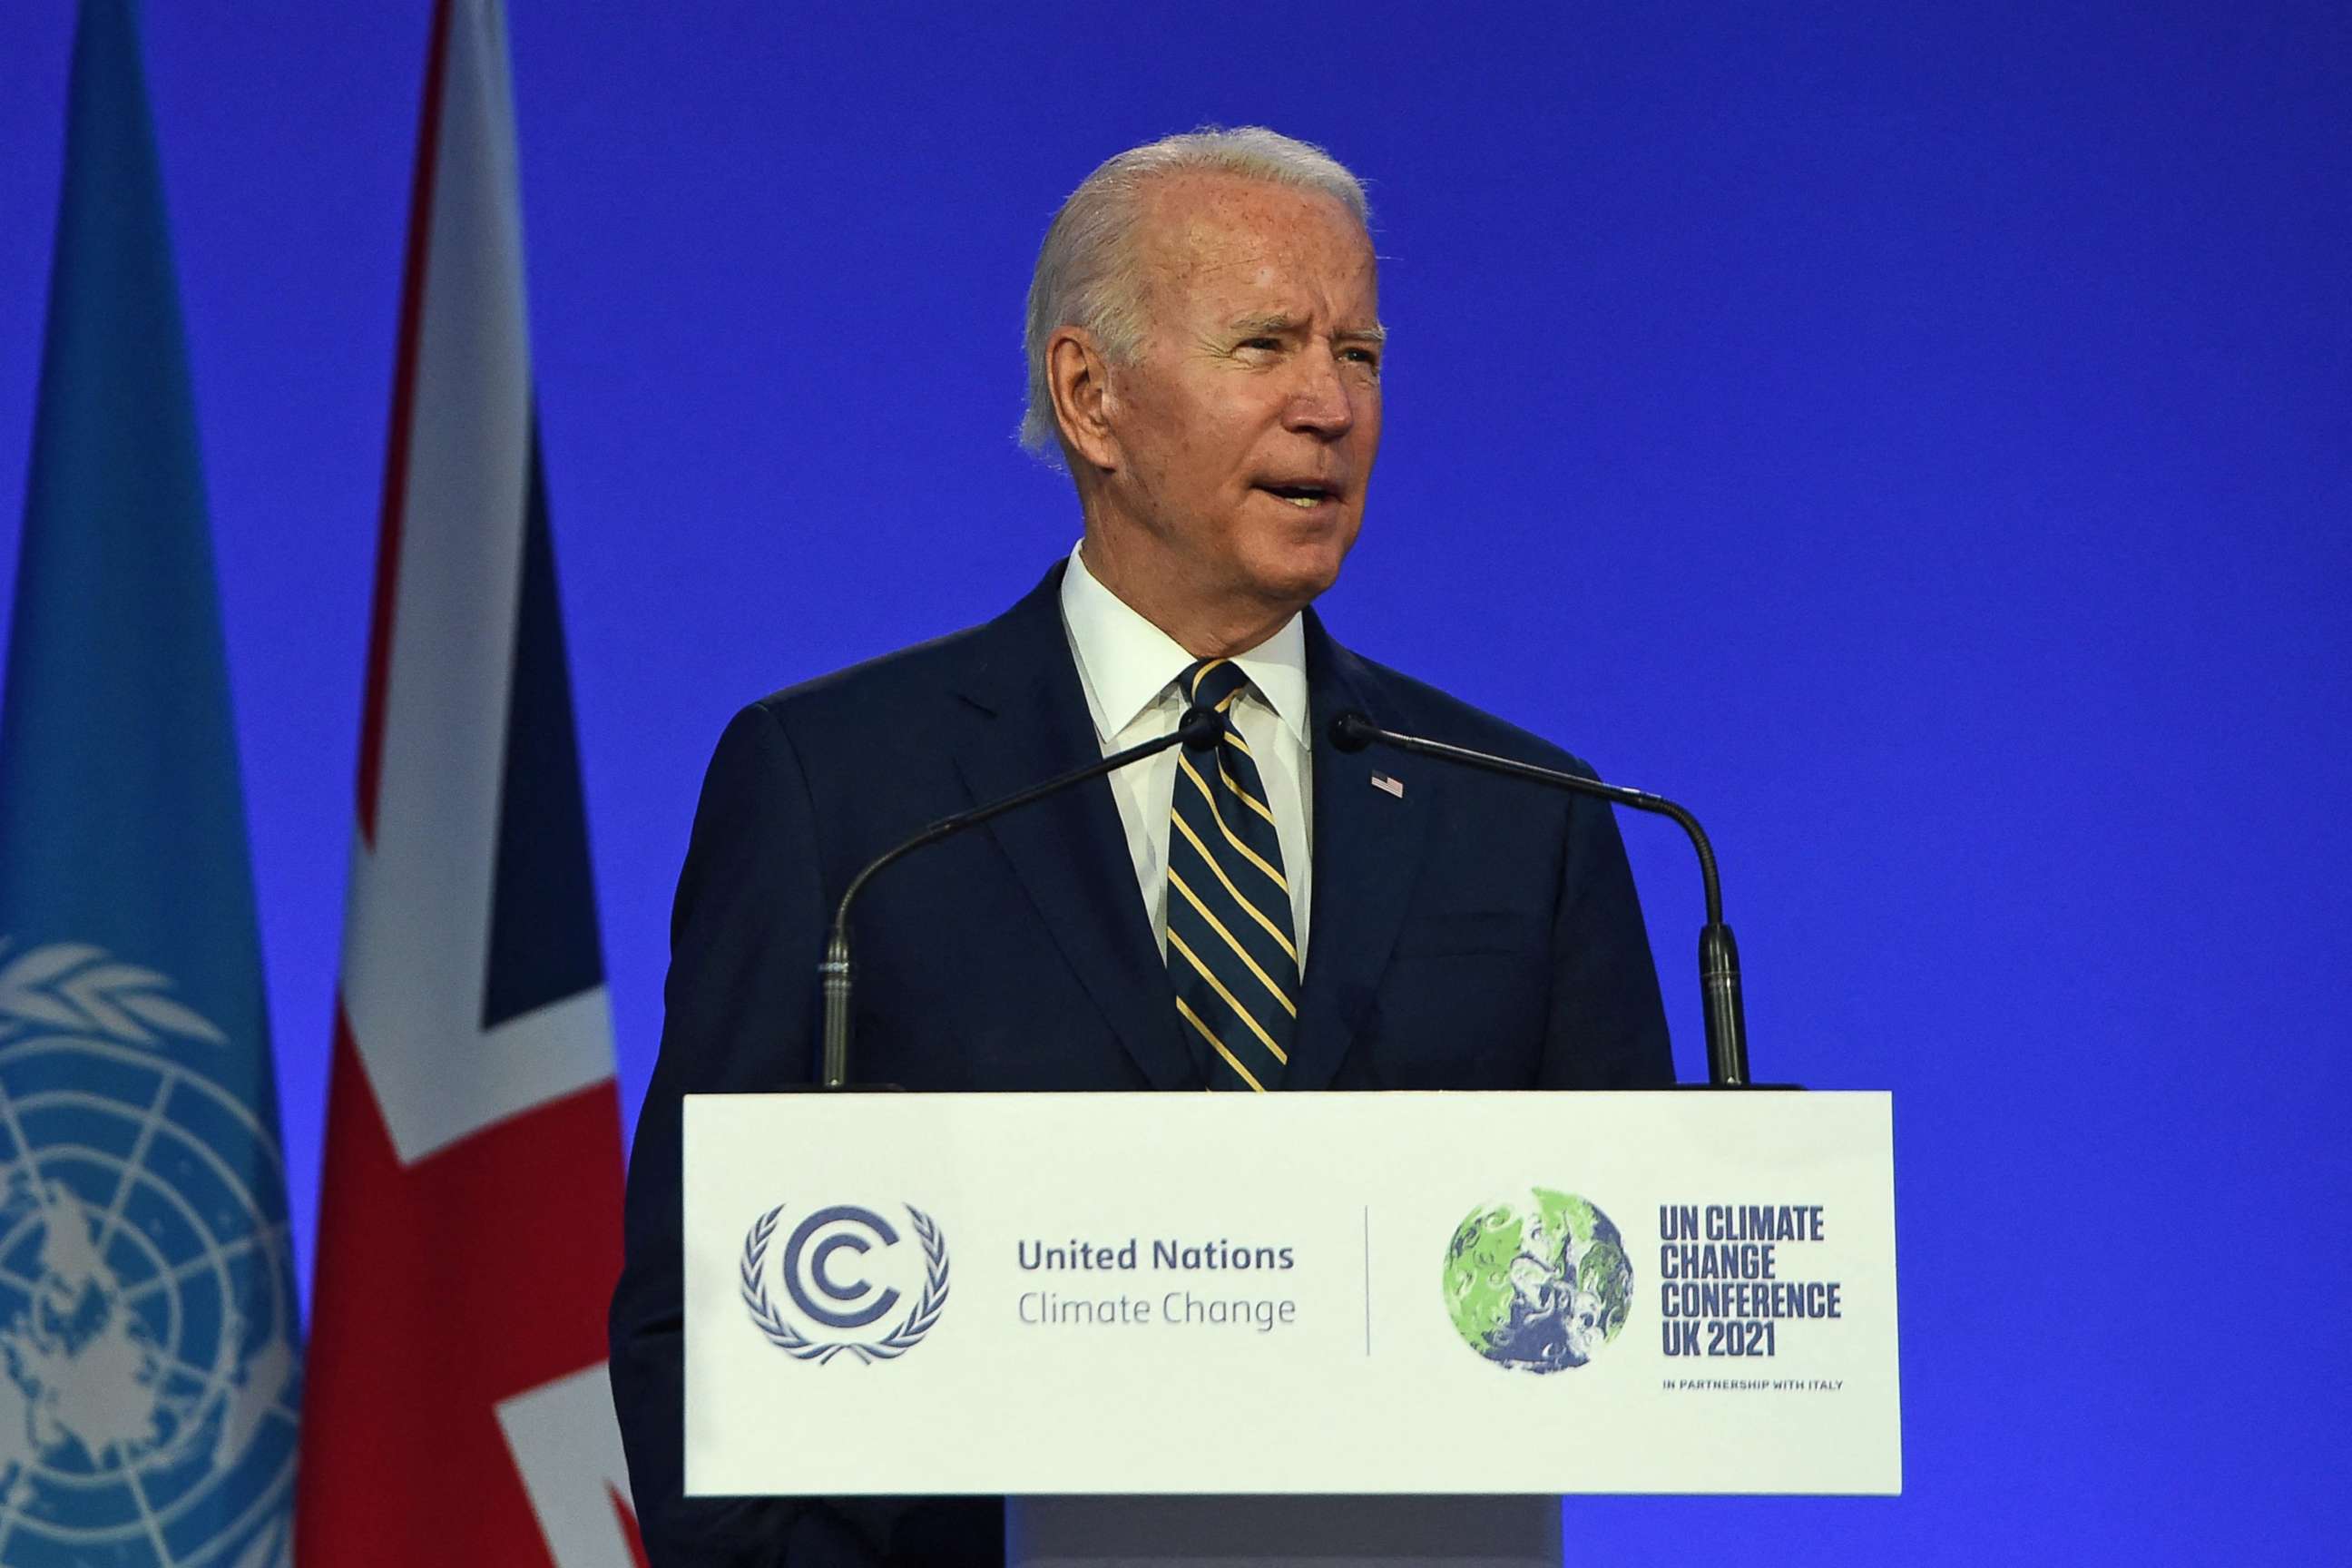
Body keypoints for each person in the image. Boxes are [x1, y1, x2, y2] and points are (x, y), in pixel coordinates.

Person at [610, 126, 1673, 1567]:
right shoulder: (846, 796)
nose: (1328, 406)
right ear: (1091, 394)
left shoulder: (1526, 813)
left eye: (1358, 353)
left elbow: (1635, 1302)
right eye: (1263, 344)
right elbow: (699, 1320)